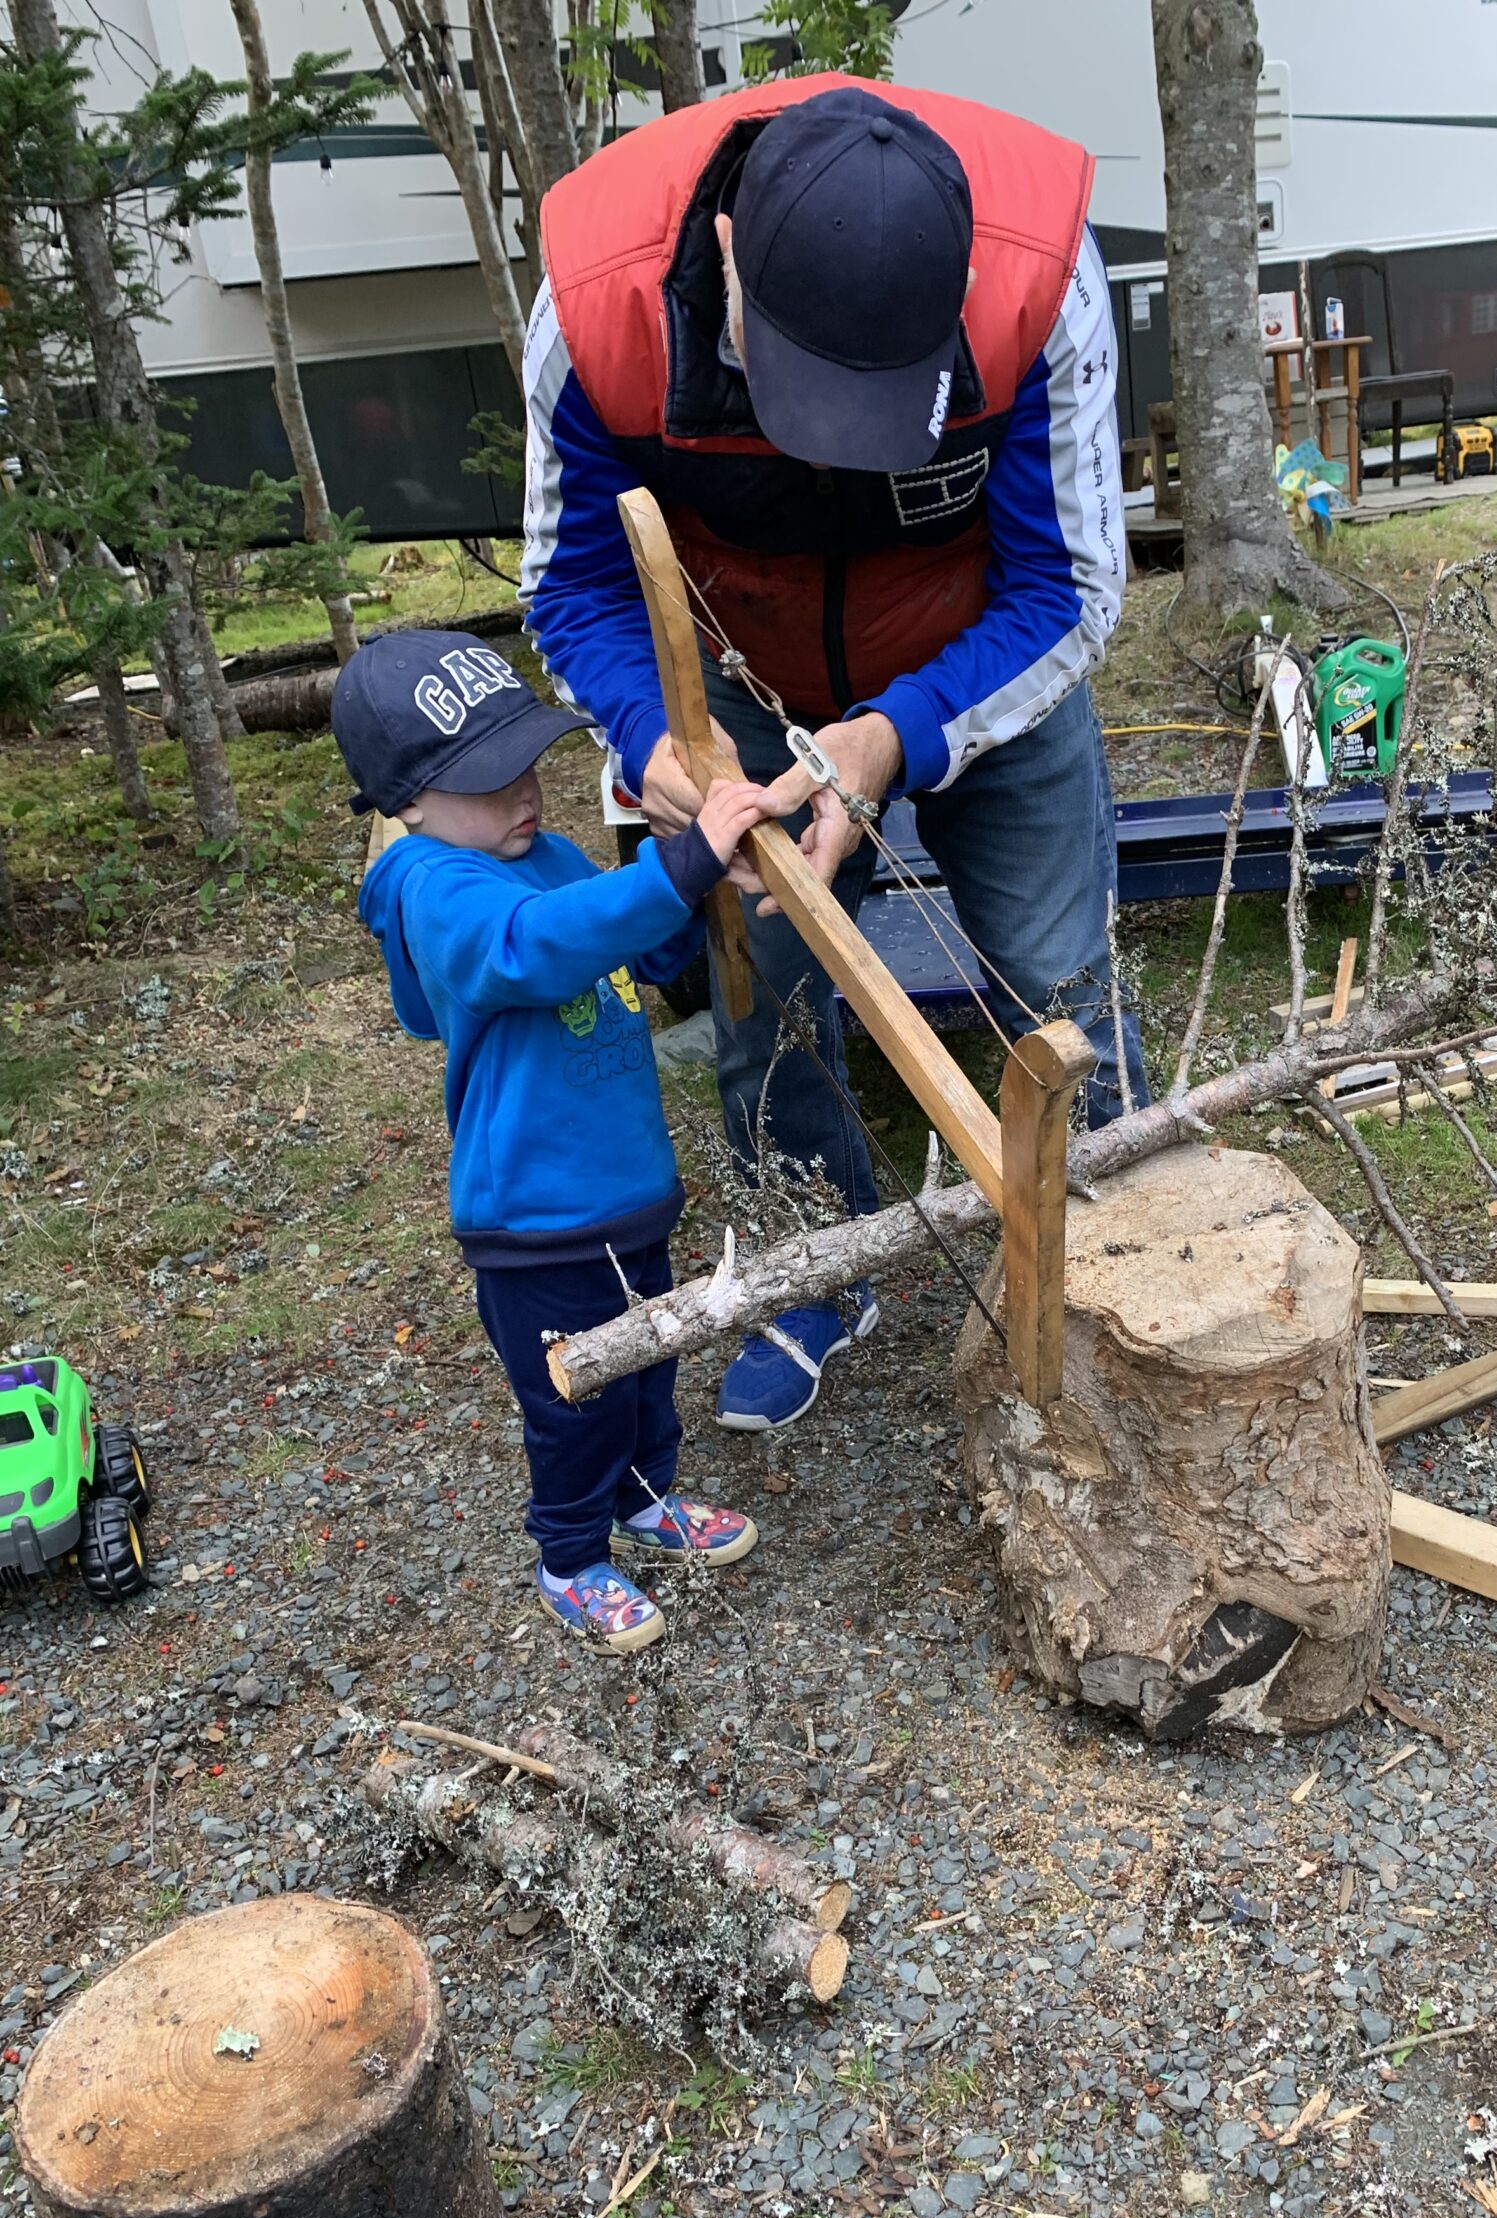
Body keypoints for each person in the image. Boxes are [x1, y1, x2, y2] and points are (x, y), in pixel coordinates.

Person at [520, 74, 1148, 1434]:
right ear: (732, 248)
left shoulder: (1046, 277)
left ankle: (1119, 1263)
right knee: (769, 999)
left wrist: (893, 736)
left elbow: (1074, 591)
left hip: (987, 660)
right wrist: (652, 739)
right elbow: (569, 589)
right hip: (738, 683)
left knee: (1058, 975)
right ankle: (817, 1267)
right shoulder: (593, 305)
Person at [340, 628, 769, 1653]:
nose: (523, 790)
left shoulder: (547, 854)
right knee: (577, 1401)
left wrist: (692, 899)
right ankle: (572, 1554)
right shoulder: (436, 885)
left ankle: (644, 1502)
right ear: (407, 802)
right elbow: (532, 949)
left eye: (527, 759)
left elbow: (627, 939)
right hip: (537, 1220)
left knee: (653, 1366)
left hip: (627, 1191)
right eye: (488, 778)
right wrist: (673, 871)